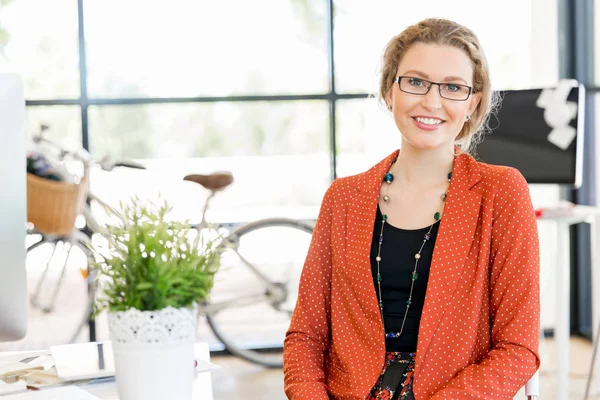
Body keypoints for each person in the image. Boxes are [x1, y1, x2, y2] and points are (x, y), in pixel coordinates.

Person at [283, 17, 540, 400]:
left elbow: (518, 348)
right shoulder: (343, 198)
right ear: (390, 91)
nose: (431, 102)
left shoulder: (500, 192)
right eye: (416, 82)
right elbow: (306, 336)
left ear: (472, 102)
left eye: (453, 87)